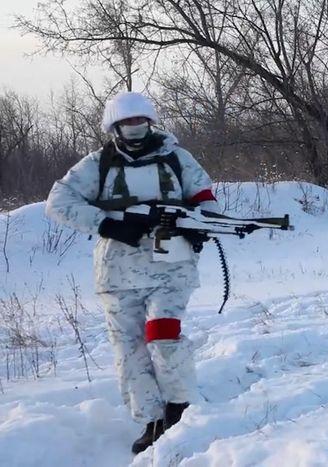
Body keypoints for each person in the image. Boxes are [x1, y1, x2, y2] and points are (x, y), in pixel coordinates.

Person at [45, 91, 220, 454]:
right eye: (127, 122)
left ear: (151, 122)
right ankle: (150, 419)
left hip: (170, 266)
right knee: (129, 349)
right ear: (114, 127)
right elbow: (58, 202)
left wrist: (198, 224)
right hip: (117, 272)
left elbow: (205, 198)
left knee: (162, 334)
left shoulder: (176, 157)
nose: (135, 128)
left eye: (141, 121)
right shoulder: (97, 164)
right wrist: (107, 225)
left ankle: (179, 408)